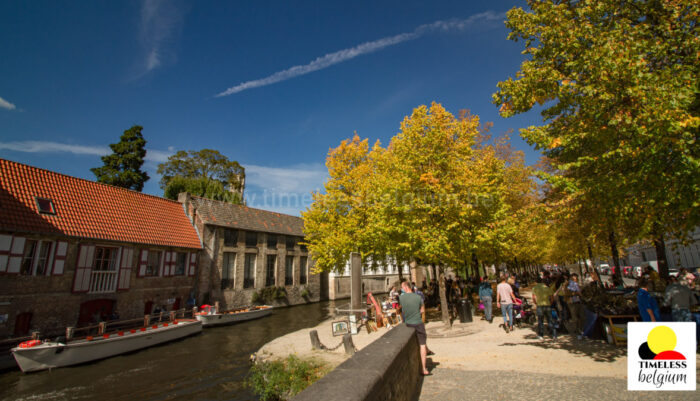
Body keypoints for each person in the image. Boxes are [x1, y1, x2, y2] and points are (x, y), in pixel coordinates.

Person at [399, 281, 431, 375]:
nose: (401, 289)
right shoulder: (418, 297)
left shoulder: (401, 297)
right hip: (418, 323)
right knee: (422, 345)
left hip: (408, 323)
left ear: (405, 287)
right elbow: (422, 311)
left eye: (402, 287)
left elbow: (402, 309)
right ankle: (424, 368)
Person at [532, 276, 556, 340]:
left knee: (540, 321)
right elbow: (552, 297)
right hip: (547, 305)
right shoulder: (546, 287)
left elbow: (534, 298)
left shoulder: (534, 288)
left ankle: (541, 335)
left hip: (540, 305)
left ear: (536, 281)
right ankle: (554, 335)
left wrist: (536, 303)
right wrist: (550, 302)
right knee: (550, 320)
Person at [567, 274, 585, 339]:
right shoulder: (574, 284)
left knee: (574, 316)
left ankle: (577, 329)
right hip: (575, 301)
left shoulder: (567, 283)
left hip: (570, 301)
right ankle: (579, 331)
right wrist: (582, 296)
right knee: (579, 317)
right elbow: (579, 292)